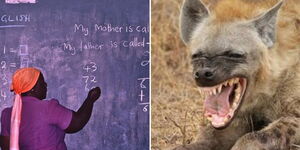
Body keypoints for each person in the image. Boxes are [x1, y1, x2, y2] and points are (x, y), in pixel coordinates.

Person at [0, 67, 101, 150]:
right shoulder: (48, 108)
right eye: (42, 82)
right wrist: (90, 100)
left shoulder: (7, 114)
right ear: (32, 88)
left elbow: (5, 147)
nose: (45, 85)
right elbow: (76, 123)